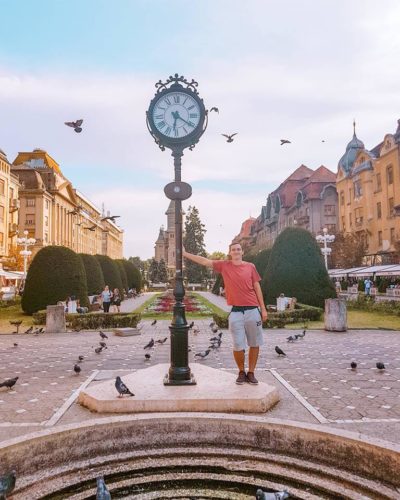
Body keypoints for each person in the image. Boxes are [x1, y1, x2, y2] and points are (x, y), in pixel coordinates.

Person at [183, 242, 268, 385]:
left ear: (242, 252)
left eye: (238, 249)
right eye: (233, 249)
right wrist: (185, 254)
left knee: (254, 343)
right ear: (230, 253)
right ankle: (241, 372)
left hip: (253, 310)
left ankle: (251, 372)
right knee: (238, 345)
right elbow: (204, 261)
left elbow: (257, 287)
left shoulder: (250, 266)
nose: (236, 251)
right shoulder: (224, 265)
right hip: (236, 312)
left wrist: (263, 309)